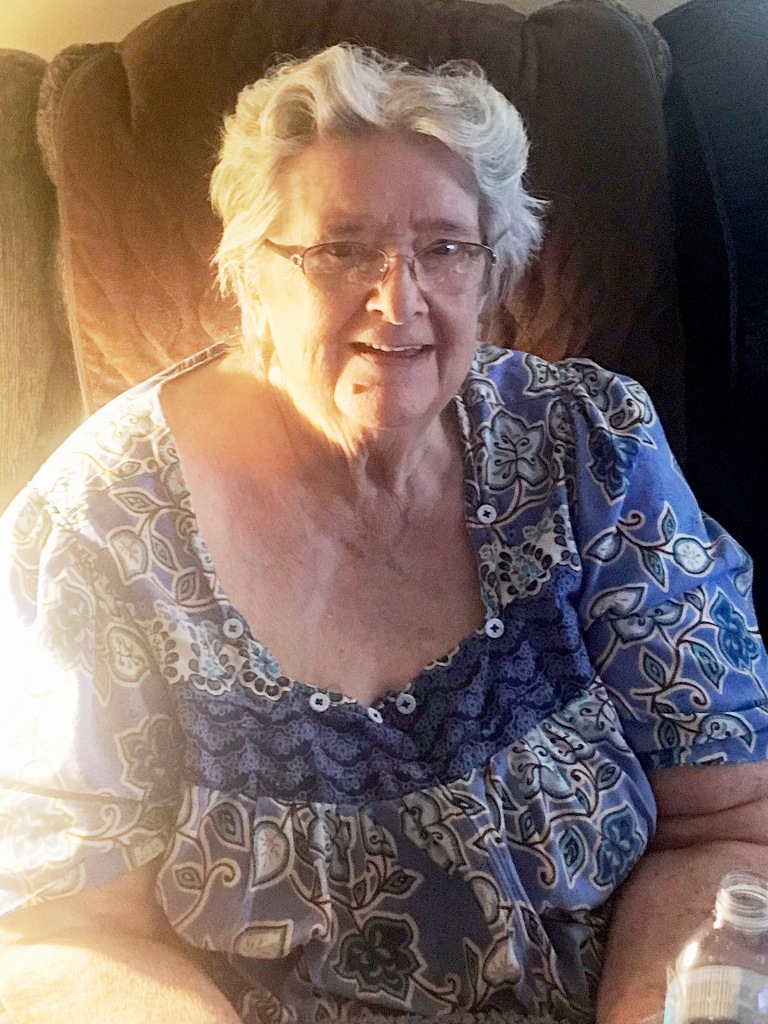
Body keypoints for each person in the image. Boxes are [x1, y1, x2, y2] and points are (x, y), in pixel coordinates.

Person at [1, 42, 767, 1024]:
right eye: (341, 247)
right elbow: (57, 920)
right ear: (250, 271)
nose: (399, 300)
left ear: (490, 274)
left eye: (445, 248)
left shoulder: (589, 445)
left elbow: (725, 821)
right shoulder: (96, 532)